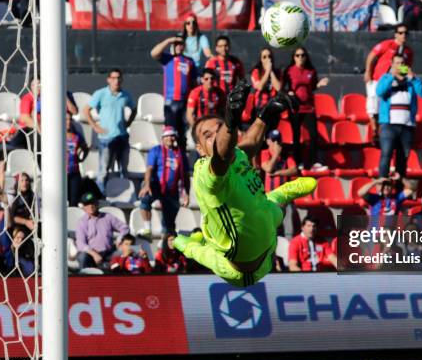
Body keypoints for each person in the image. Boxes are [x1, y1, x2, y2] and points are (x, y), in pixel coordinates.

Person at [171, 81, 317, 287]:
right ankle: (182, 241)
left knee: (271, 205)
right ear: (200, 149)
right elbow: (221, 156)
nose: (216, 136)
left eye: (219, 129)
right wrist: (230, 122)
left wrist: (264, 116)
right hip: (238, 269)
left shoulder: (234, 153)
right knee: (196, 250)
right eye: (207, 135)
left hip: (265, 236)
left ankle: (279, 196)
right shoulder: (205, 171)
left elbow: (247, 145)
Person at [83, 69, 137, 193]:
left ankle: (124, 194)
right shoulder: (100, 94)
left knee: (124, 169)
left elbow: (134, 109)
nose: (116, 81)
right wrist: (95, 126)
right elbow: (86, 110)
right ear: (108, 79)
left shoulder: (125, 95)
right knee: (103, 170)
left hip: (122, 137)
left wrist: (128, 123)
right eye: (113, 78)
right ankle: (102, 195)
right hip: (106, 138)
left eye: (119, 78)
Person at [376, 54, 422, 178]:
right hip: (389, 124)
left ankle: (399, 185)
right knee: (386, 154)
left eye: (402, 63)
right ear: (392, 64)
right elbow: (379, 91)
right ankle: (382, 182)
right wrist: (391, 76)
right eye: (397, 63)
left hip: (407, 125)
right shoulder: (386, 78)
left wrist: (413, 78)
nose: (400, 66)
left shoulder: (411, 82)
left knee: (403, 158)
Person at [138, 126, 190, 238]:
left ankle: (164, 247)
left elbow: (185, 176)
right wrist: (147, 185)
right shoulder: (156, 150)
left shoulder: (181, 154)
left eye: (172, 136)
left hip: (172, 190)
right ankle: (147, 229)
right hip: (156, 186)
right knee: (144, 199)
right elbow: (149, 169)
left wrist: (187, 194)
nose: (170, 138)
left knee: (169, 224)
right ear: (162, 137)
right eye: (167, 136)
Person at [283, 46, 329, 169]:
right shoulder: (289, 71)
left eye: (303, 55)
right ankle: (298, 162)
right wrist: (289, 93)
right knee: (296, 135)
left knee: (313, 135)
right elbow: (283, 88)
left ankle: (314, 162)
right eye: (297, 55)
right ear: (294, 57)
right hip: (295, 108)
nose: (300, 58)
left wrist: (318, 85)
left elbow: (312, 87)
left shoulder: (311, 71)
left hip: (308, 107)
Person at [364, 24, 414, 131]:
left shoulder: (408, 51)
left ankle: (384, 131)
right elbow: (372, 55)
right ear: (396, 34)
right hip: (378, 79)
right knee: (373, 105)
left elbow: (407, 67)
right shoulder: (387, 44)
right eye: (400, 33)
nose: (403, 35)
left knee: (387, 107)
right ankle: (374, 131)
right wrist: (368, 71)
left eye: (405, 33)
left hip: (394, 84)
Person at [151, 34, 197, 148]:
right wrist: (169, 40)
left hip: (185, 102)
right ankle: (168, 160)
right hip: (170, 102)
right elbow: (154, 53)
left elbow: (194, 81)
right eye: (176, 44)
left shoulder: (189, 61)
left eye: (181, 44)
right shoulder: (168, 58)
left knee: (182, 135)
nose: (178, 46)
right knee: (170, 134)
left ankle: (181, 161)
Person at [13, 78, 79, 150]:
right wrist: (40, 130)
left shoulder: (66, 95)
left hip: (62, 126)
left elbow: (75, 112)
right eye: (34, 85)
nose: (37, 87)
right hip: (43, 127)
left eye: (39, 85)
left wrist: (64, 96)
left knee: (76, 137)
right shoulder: (41, 98)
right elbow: (29, 116)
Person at [75, 192, 130, 270]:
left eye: (92, 203)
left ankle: (123, 279)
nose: (90, 206)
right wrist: (94, 254)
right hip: (91, 254)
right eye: (87, 204)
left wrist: (120, 239)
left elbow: (125, 228)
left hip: (109, 253)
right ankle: (84, 279)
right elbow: (80, 244)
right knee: (82, 257)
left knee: (125, 251)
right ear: (83, 207)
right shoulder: (82, 222)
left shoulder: (108, 217)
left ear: (97, 203)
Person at [250, 47, 282, 126]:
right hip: (260, 108)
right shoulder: (256, 71)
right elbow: (260, 87)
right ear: (261, 59)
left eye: (269, 56)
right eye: (264, 57)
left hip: (273, 108)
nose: (267, 59)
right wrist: (267, 71)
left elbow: (278, 88)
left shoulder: (277, 72)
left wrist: (271, 71)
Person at [66, 115, 89, 207]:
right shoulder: (56, 135)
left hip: (74, 172)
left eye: (70, 119)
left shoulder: (77, 136)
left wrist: (81, 158)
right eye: (65, 119)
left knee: (74, 201)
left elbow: (85, 147)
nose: (68, 122)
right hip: (60, 173)